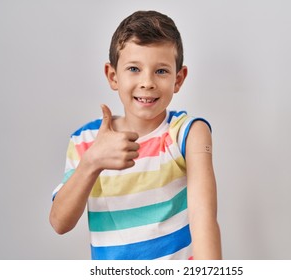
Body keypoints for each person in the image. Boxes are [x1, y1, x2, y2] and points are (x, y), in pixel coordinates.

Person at [49, 10, 222, 260]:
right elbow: (59, 223)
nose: (147, 82)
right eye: (134, 68)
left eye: (161, 71)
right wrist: (92, 162)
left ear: (179, 78)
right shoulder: (85, 141)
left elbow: (203, 218)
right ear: (112, 76)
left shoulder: (188, 133)